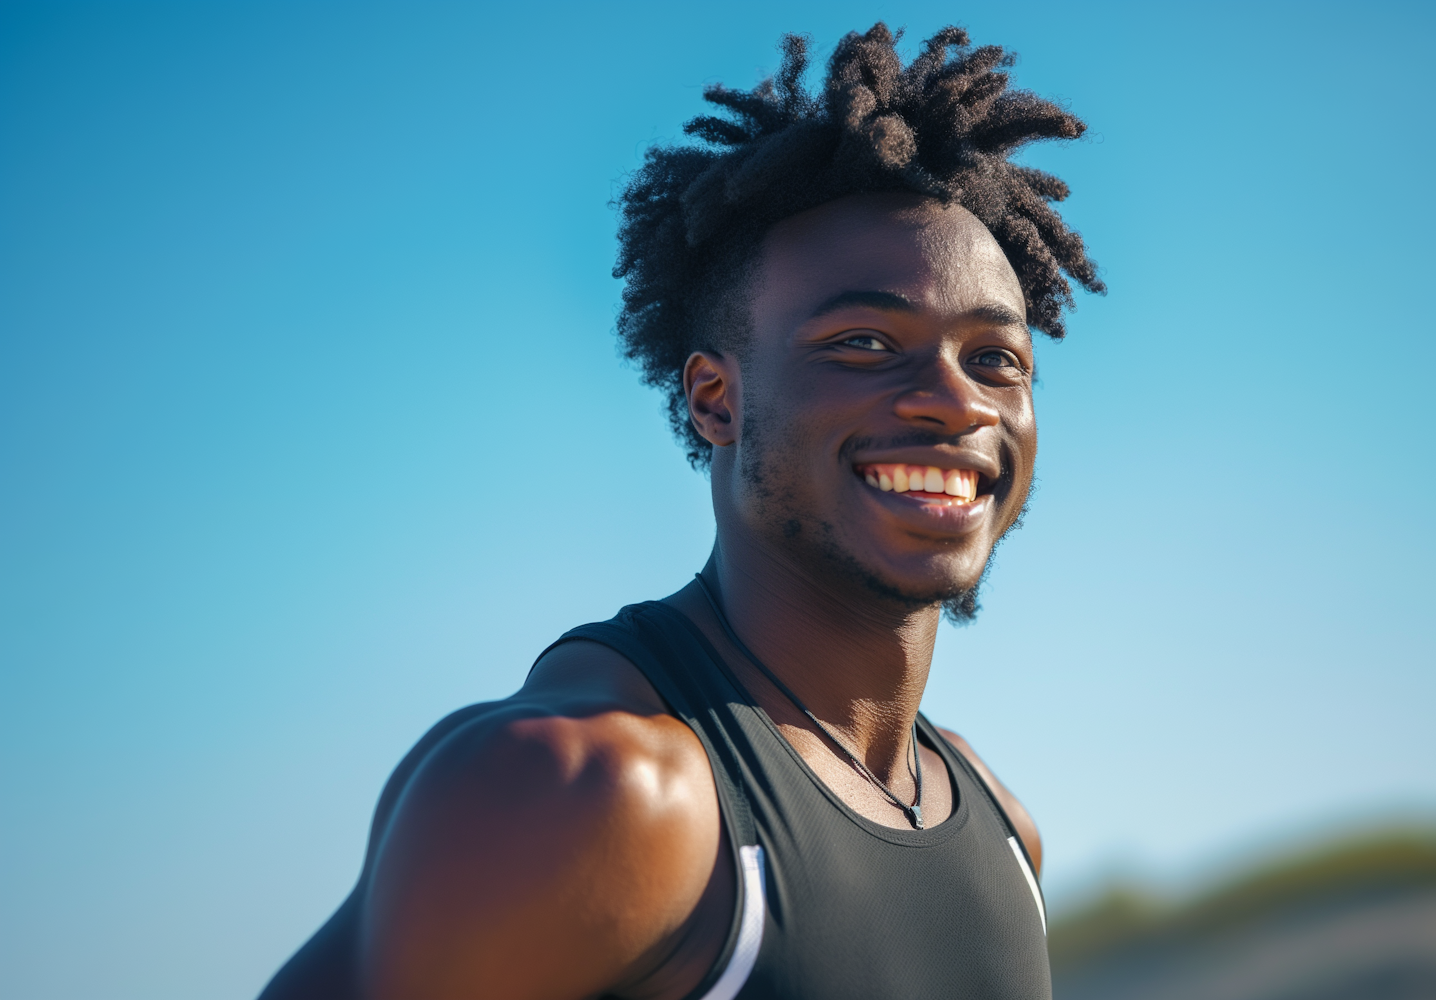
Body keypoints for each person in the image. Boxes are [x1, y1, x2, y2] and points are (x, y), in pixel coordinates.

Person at [260, 24, 1103, 1000]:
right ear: (716, 399)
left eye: (996, 360)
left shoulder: (1003, 828)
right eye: (867, 342)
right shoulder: (580, 795)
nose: (956, 403)